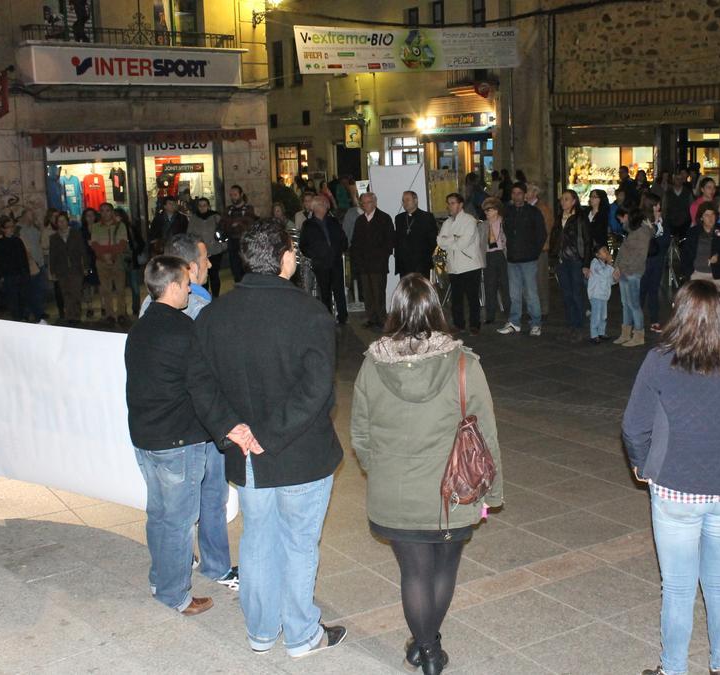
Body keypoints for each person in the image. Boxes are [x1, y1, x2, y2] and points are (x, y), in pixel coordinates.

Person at [190, 218, 347, 658]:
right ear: (283, 258)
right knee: (299, 543)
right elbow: (317, 391)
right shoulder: (310, 313)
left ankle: (261, 632)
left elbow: (199, 382)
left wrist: (231, 427)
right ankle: (301, 635)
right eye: (292, 250)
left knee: (257, 539)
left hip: (248, 456)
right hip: (300, 454)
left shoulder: (214, 314)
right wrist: (268, 433)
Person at [624, 280, 720, 675]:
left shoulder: (661, 360)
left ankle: (673, 669)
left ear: (679, 312)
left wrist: (643, 465)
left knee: (677, 588)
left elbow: (633, 426)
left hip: (675, 488)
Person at [350, 274, 503, 674]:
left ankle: (427, 648)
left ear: (394, 311)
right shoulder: (465, 364)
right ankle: (428, 646)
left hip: (394, 495)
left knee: (415, 573)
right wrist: (495, 492)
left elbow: (360, 434)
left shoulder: (371, 366)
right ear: (437, 309)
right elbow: (486, 433)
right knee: (444, 569)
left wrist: (379, 469)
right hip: (453, 496)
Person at [125, 255, 242, 617]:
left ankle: (161, 578)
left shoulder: (140, 327)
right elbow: (201, 389)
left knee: (159, 513)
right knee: (178, 521)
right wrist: (228, 428)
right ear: (173, 286)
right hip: (178, 440)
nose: (190, 288)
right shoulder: (182, 330)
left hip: (146, 436)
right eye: (186, 283)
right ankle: (175, 594)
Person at [497, 183, 547, 337]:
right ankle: (514, 322)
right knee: (514, 293)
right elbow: (505, 231)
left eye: (519, 193)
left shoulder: (534, 212)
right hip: (512, 259)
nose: (516, 196)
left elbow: (541, 234)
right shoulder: (508, 211)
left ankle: (536, 323)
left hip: (528, 259)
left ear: (525, 195)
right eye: (513, 193)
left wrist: (534, 252)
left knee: (531, 293)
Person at [437, 193, 484, 334]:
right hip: (454, 266)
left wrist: (449, 240)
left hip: (469, 264)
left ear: (460, 204)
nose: (449, 206)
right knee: (456, 298)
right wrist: (454, 238)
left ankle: (475, 324)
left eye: (452, 203)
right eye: (448, 203)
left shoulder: (469, 220)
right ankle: (458, 324)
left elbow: (464, 243)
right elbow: (440, 242)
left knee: (472, 297)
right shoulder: (447, 222)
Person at [139, 233, 213, 319]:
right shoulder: (202, 308)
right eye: (206, 259)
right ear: (193, 268)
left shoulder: (149, 302)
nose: (210, 265)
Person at [301, 195, 350, 324]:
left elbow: (343, 239)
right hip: (321, 263)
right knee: (325, 291)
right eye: (323, 204)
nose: (326, 206)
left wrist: (339, 250)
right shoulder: (308, 224)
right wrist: (315, 255)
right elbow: (303, 246)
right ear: (316, 207)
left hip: (335, 261)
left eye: (326, 204)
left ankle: (343, 317)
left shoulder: (333, 222)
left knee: (339, 289)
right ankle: (327, 318)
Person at [350, 192, 396, 328]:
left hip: (378, 264)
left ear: (375, 202)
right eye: (363, 203)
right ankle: (371, 317)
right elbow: (355, 242)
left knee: (378, 292)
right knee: (367, 293)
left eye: (369, 202)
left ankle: (382, 318)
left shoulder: (384, 218)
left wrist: (382, 256)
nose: (366, 205)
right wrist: (357, 259)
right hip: (364, 264)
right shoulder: (360, 220)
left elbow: (390, 240)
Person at [555, 189, 591, 342]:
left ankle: (579, 327)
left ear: (574, 201)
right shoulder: (559, 218)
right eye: (562, 199)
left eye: (567, 199)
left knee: (577, 294)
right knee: (566, 294)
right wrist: (554, 258)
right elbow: (555, 238)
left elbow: (587, 241)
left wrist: (586, 263)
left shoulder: (580, 218)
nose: (563, 202)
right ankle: (571, 326)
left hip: (575, 260)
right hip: (562, 261)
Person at [681, 201, 720, 296]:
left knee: (719, 306)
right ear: (701, 217)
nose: (710, 218)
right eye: (707, 215)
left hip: (718, 276)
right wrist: (689, 272)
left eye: (712, 215)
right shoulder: (693, 232)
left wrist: (719, 257)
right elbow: (685, 254)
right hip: (697, 275)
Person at [614, 209, 651, 347]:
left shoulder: (641, 232)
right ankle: (625, 333)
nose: (621, 222)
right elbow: (623, 250)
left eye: (621, 219)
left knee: (634, 304)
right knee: (626, 304)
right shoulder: (632, 231)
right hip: (625, 271)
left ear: (627, 216)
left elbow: (638, 256)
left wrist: (621, 267)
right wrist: (617, 267)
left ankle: (639, 334)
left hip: (633, 272)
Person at [89, 203, 129, 324]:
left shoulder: (120, 226)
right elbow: (95, 244)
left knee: (120, 289)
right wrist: (104, 257)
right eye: (102, 211)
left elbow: (122, 243)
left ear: (112, 212)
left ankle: (121, 313)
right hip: (101, 262)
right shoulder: (96, 227)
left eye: (108, 210)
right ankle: (110, 314)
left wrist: (111, 255)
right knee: (105, 290)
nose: (105, 213)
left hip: (117, 261)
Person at [49, 209, 88, 325]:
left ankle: (76, 315)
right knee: (66, 293)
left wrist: (85, 265)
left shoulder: (76, 234)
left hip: (75, 268)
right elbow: (53, 255)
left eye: (63, 221)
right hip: (62, 270)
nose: (62, 223)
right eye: (59, 222)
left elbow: (82, 250)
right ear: (56, 224)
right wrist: (53, 270)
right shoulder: (54, 238)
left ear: (67, 221)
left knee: (76, 293)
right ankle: (69, 316)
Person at [639, 193, 669, 334]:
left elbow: (665, 240)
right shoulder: (643, 222)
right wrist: (655, 226)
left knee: (654, 290)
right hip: (644, 261)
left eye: (659, 204)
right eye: (656, 205)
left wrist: (659, 225)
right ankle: (636, 320)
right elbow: (646, 241)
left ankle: (654, 320)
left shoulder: (663, 221)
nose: (659, 207)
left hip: (658, 260)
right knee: (641, 290)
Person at [0, 220, 31, 321]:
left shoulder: (18, 241)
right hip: (9, 275)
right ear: (3, 229)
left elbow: (24, 258)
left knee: (23, 296)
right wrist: (1, 275)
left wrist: (27, 272)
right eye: (8, 227)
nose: (11, 229)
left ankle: (24, 316)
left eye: (12, 227)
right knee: (13, 298)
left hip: (21, 274)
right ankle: (17, 318)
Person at [187, 198, 226, 298]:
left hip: (215, 250)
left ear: (208, 206)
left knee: (214, 275)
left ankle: (216, 297)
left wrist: (223, 246)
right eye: (200, 205)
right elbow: (189, 234)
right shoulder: (194, 217)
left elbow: (223, 232)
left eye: (204, 205)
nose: (202, 207)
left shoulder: (215, 216)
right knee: (203, 276)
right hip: (200, 252)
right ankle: (205, 297)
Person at [394, 191, 437, 278]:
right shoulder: (399, 218)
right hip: (404, 265)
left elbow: (432, 241)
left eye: (407, 200)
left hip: (421, 264)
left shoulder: (427, 217)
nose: (405, 203)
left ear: (415, 200)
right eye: (403, 200)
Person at [19, 209, 50, 324]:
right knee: (31, 290)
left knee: (40, 289)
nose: (32, 218)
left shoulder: (34, 229)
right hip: (30, 265)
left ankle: (39, 311)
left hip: (40, 262)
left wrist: (39, 225)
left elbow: (41, 240)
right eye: (30, 215)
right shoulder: (21, 231)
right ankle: (31, 312)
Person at [526, 184, 553, 319]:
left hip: (540, 249)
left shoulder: (542, 208)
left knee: (541, 280)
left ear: (535, 193)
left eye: (528, 190)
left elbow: (546, 229)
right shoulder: (529, 207)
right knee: (531, 281)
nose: (525, 193)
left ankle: (543, 309)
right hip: (530, 249)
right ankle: (534, 308)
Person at [482, 198, 510, 325]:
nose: (486, 212)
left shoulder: (504, 222)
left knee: (506, 285)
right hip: (488, 256)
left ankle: (509, 312)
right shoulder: (482, 225)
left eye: (489, 210)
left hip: (502, 255)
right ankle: (490, 315)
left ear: (496, 210)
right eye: (485, 210)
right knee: (489, 286)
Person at [223, 185, 253, 283]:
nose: (233, 197)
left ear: (241, 194)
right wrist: (236, 223)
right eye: (231, 195)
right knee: (235, 272)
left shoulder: (248, 209)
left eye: (235, 194)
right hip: (232, 244)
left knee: (246, 271)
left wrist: (234, 223)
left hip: (245, 244)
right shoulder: (228, 210)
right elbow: (224, 224)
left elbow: (247, 224)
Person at [587, 245, 616, 344]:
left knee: (603, 315)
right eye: (603, 251)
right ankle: (594, 335)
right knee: (596, 315)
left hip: (604, 295)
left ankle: (601, 332)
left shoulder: (607, 266)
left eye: (606, 250)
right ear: (597, 255)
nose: (606, 252)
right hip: (596, 294)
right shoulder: (594, 263)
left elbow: (611, 280)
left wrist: (615, 278)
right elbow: (603, 274)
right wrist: (610, 263)